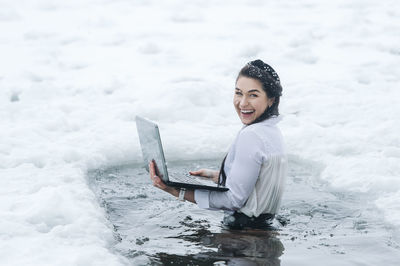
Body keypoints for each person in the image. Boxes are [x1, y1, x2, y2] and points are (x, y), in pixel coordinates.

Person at [149, 59, 287, 230]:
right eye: (238, 93)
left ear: (271, 100)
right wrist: (218, 176)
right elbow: (260, 180)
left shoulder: (251, 136)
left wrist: (177, 191)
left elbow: (233, 201)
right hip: (265, 231)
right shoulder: (272, 131)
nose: (243, 103)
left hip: (244, 239)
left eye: (253, 95)